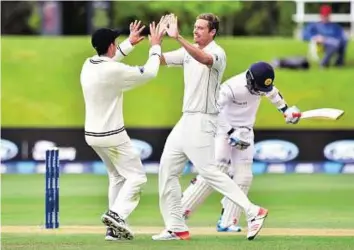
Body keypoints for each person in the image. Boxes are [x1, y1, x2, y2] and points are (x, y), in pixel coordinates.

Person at [152, 13, 268, 241]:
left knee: (209, 172)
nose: (196, 31)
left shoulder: (217, 53)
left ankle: (254, 211)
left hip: (204, 119)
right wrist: (155, 45)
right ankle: (176, 226)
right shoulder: (188, 52)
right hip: (185, 119)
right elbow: (160, 61)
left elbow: (204, 59)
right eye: (195, 28)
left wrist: (178, 38)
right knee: (166, 170)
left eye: (201, 28)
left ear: (212, 32)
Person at [181, 61, 301, 233]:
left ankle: (228, 221)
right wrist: (230, 131)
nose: (260, 91)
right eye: (258, 87)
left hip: (245, 131)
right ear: (249, 79)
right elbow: (213, 111)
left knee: (244, 177)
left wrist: (286, 111)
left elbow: (273, 94)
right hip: (223, 130)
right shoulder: (231, 87)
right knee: (218, 170)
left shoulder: (262, 85)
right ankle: (178, 213)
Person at [80, 20, 166, 241]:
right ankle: (116, 215)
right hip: (112, 135)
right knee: (137, 177)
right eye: (115, 42)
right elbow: (149, 73)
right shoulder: (113, 70)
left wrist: (129, 43)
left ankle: (113, 230)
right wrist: (155, 46)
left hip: (92, 135)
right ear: (110, 45)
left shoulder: (89, 64)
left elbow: (112, 60)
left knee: (117, 177)